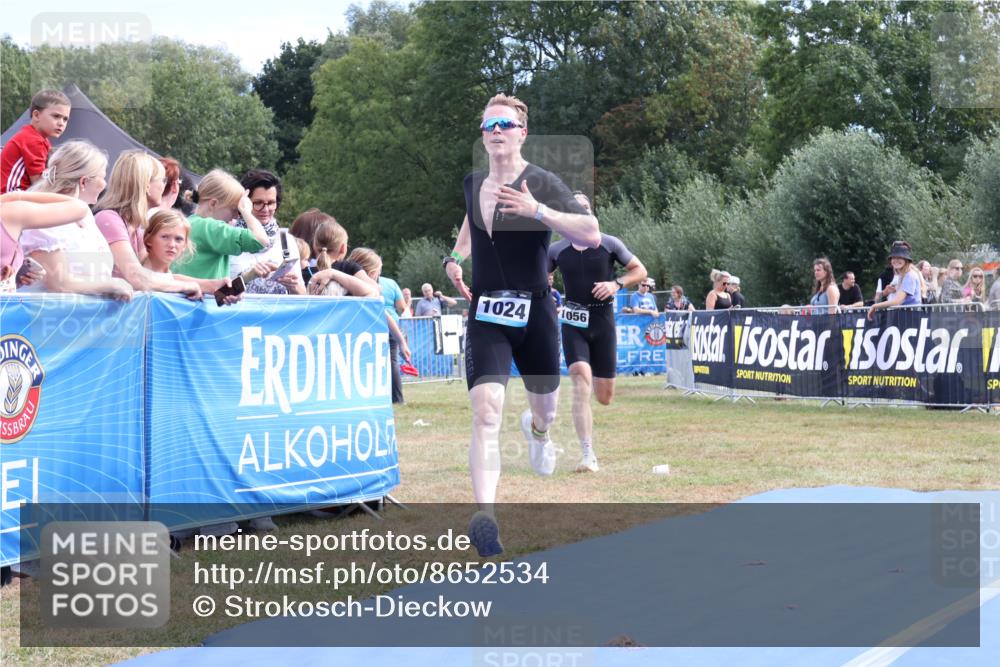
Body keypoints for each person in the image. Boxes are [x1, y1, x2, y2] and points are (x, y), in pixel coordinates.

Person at [442, 93, 599, 557]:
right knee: (486, 410)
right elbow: (472, 225)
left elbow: (589, 234)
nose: (495, 132)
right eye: (488, 126)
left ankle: (538, 430)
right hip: (488, 311)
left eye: (504, 124)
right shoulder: (473, 183)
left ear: (522, 132)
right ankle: (485, 518)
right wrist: (455, 258)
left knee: (546, 407)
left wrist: (538, 213)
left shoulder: (543, 182)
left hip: (536, 311)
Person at [548, 232, 646, 473]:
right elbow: (537, 274)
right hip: (573, 322)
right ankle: (587, 454)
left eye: (585, 208)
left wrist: (616, 284)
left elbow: (640, 270)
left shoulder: (609, 244)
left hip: (603, 321)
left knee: (604, 397)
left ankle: (577, 419)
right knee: (581, 380)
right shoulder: (557, 250)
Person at [18, 141, 132, 300]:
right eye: (103, 177)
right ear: (84, 182)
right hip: (47, 319)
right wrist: (111, 285)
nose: (105, 184)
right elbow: (59, 283)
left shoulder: (85, 216)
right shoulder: (44, 218)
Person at [94, 150, 202, 298]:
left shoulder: (134, 226)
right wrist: (185, 286)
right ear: (145, 185)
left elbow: (155, 275)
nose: (164, 186)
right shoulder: (109, 219)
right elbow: (137, 276)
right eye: (162, 181)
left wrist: (210, 286)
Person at [171, 169, 268, 279]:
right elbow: (261, 240)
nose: (236, 216)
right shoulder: (211, 227)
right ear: (213, 204)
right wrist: (246, 212)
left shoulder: (187, 223)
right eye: (234, 209)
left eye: (239, 211)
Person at [347, 247, 413, 405]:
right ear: (371, 273)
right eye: (378, 272)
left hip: (368, 328)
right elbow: (398, 308)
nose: (378, 277)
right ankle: (397, 399)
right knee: (392, 362)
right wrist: (401, 341)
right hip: (383, 327)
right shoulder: (375, 288)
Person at [1, 191, 91, 292]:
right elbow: (80, 207)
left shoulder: (9, 213)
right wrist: (14, 196)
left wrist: (15, 276)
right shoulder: (9, 212)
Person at [1, 90, 71, 193]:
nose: (61, 123)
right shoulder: (33, 141)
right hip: (11, 195)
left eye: (65, 119)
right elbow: (39, 183)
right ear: (36, 115)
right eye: (56, 116)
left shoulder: (36, 138)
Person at [306, 216, 379, 297]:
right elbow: (375, 290)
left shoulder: (305, 272)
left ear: (314, 246)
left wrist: (331, 273)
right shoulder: (350, 268)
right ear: (343, 248)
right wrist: (334, 274)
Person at [867, 241, 921, 320]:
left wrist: (875, 306)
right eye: (894, 257)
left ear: (906, 260)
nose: (896, 260)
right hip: (904, 316)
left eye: (899, 258)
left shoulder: (910, 276)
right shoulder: (903, 276)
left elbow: (897, 301)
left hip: (911, 317)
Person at [142, 209, 193, 273]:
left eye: (178, 239)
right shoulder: (135, 275)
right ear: (148, 239)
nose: (172, 245)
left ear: (185, 245)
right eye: (165, 237)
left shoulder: (171, 278)